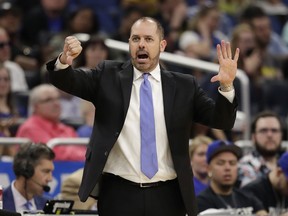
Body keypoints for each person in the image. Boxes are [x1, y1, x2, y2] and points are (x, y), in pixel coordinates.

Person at [47, 16, 239, 216]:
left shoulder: (184, 86)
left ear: (162, 45)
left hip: (169, 194)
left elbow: (222, 120)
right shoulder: (108, 75)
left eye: (148, 39)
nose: (141, 45)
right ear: (129, 43)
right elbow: (69, 81)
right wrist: (63, 62)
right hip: (119, 192)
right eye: (135, 39)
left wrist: (226, 86)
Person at [16, 84, 85, 161]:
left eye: (58, 98)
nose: (56, 104)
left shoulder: (67, 129)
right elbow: (53, 154)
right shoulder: (30, 128)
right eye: (48, 100)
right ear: (35, 106)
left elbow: (83, 152)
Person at [197, 140, 268, 216]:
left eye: (232, 163)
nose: (227, 168)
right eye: (221, 163)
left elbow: (262, 212)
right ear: (209, 169)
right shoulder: (201, 202)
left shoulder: (248, 197)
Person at [3, 142, 55, 213]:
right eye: (46, 171)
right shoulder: (2, 201)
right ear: (26, 171)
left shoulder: (48, 206)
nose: (50, 179)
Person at [238, 110, 284, 187]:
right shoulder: (243, 167)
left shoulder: (284, 164)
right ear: (253, 137)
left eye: (274, 130)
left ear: (281, 135)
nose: (270, 135)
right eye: (263, 130)